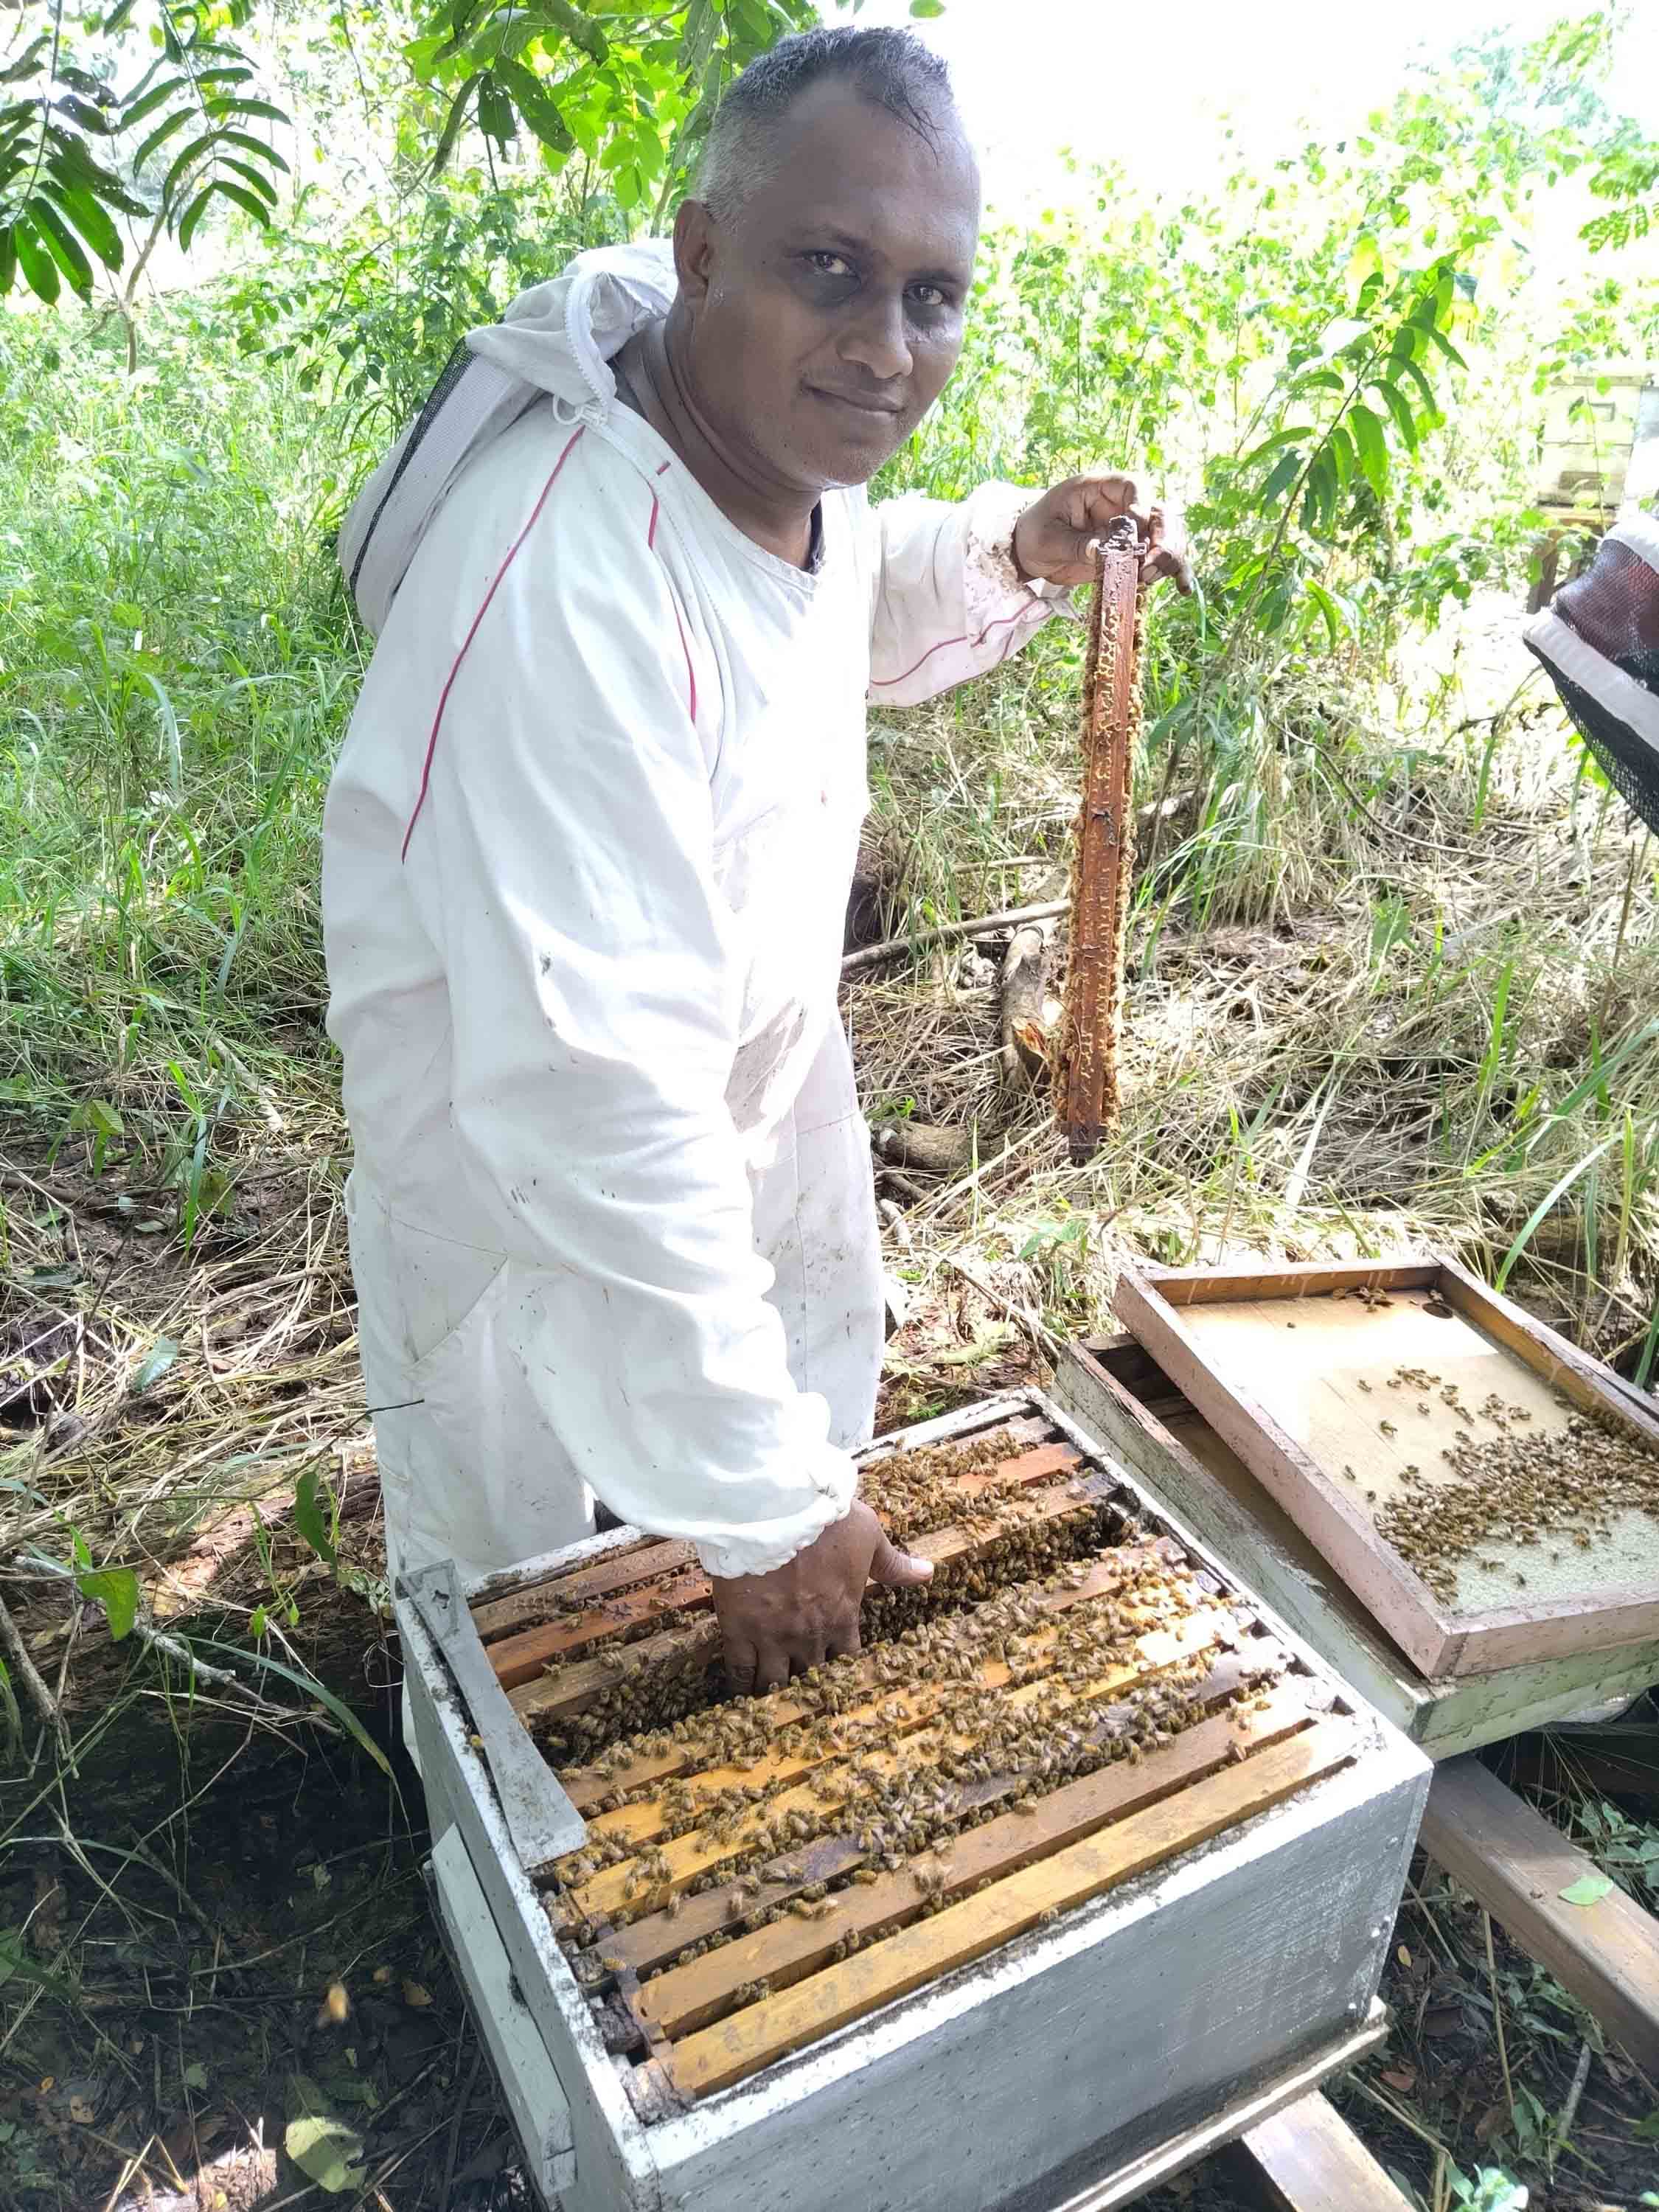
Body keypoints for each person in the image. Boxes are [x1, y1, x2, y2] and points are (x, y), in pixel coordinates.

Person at [322, 25, 1188, 1701]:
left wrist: (1011, 546)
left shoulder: (766, 454)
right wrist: (769, 1513)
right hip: (521, 1184)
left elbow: (826, 607)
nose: (885, 347)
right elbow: (589, 1107)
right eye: (831, 270)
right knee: (527, 1621)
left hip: (738, 1084)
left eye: (932, 296)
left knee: (762, 1440)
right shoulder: (562, 585)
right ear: (701, 252)